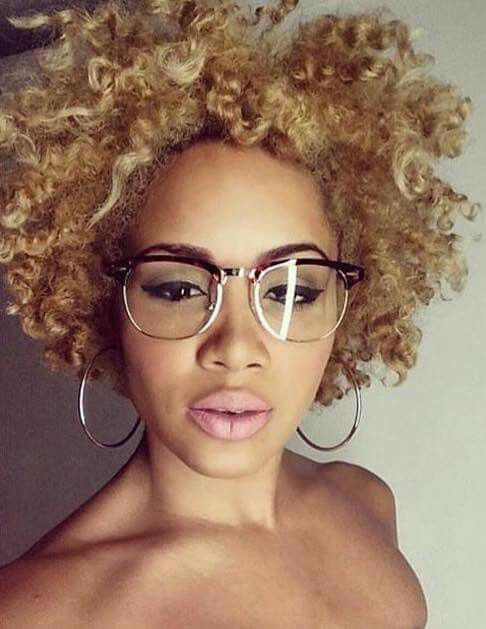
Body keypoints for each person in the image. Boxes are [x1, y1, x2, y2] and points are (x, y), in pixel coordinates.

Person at [0, 0, 481, 626]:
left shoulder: (365, 502)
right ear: (103, 303)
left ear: (346, 306)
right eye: (179, 289)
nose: (235, 347)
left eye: (290, 292)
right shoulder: (40, 612)